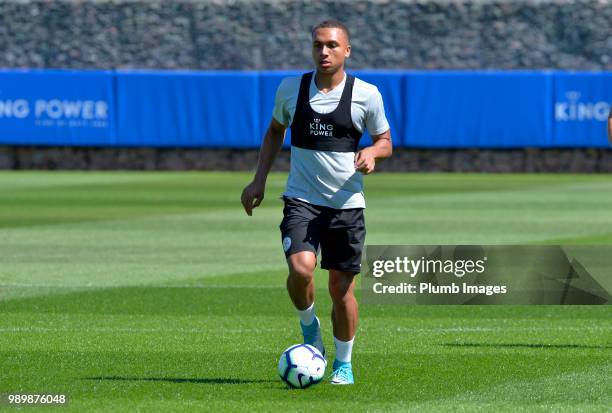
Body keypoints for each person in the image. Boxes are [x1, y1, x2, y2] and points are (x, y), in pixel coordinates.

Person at [241, 19, 392, 385]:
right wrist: (258, 179)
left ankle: (343, 363)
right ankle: (310, 328)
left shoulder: (366, 94)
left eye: (332, 45)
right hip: (302, 200)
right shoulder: (291, 88)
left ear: (347, 50)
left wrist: (372, 152)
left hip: (347, 205)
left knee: (342, 290)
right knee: (301, 269)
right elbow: (275, 131)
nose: (324, 52)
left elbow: (385, 140)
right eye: (318, 45)